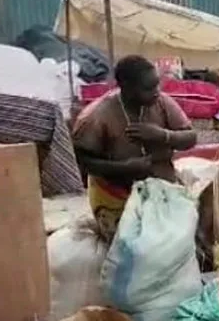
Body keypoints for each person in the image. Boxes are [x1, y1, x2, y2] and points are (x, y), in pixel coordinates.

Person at [72, 55, 197, 242]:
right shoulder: (97, 116)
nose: (157, 91)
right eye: (148, 88)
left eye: (157, 84)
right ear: (126, 88)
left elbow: (190, 138)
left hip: (163, 190)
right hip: (116, 195)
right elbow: (82, 161)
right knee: (135, 250)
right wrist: (125, 167)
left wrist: (162, 135)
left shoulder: (161, 102)